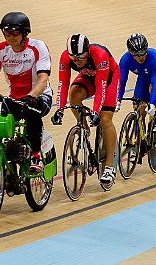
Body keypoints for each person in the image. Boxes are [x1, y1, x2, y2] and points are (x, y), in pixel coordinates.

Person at [0, 11, 53, 174]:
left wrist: (32, 96)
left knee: (31, 110)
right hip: (14, 98)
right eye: (7, 33)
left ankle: (36, 156)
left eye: (15, 33)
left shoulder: (38, 47)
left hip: (40, 96)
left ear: (25, 33)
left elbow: (43, 79)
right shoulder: (1, 50)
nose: (10, 37)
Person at [51, 34, 120, 185]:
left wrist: (96, 112)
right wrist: (60, 110)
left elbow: (101, 86)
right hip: (88, 77)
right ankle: (85, 129)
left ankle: (109, 166)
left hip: (108, 79)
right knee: (74, 94)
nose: (77, 61)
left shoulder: (100, 55)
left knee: (105, 119)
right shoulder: (65, 58)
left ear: (88, 51)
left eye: (81, 57)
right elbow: (63, 84)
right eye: (73, 57)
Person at [117, 34, 156, 133]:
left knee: (154, 89)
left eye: (142, 52)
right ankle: (139, 139)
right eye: (136, 53)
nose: (140, 56)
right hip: (144, 78)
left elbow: (155, 84)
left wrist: (152, 104)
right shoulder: (125, 60)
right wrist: (118, 99)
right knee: (138, 107)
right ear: (130, 52)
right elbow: (122, 81)